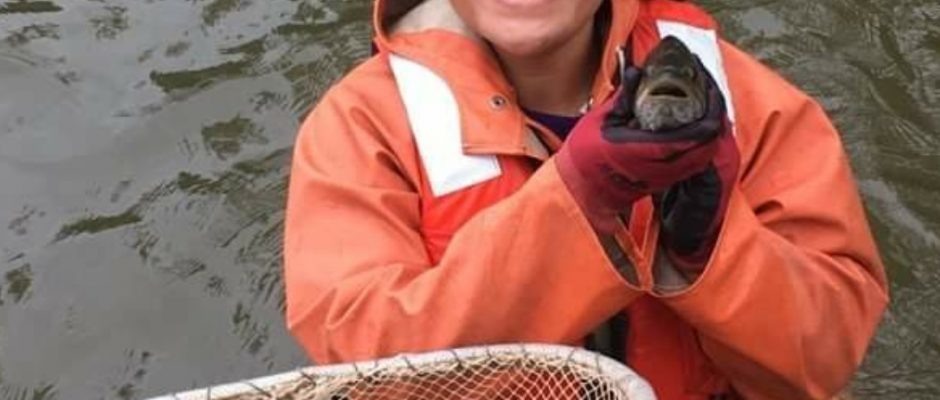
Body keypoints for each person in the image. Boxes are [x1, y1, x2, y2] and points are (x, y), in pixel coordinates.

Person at [282, 0, 889, 398]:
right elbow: (371, 377)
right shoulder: (360, 127)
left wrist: (710, 249)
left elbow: (826, 358)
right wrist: (577, 202)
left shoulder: (755, 104)